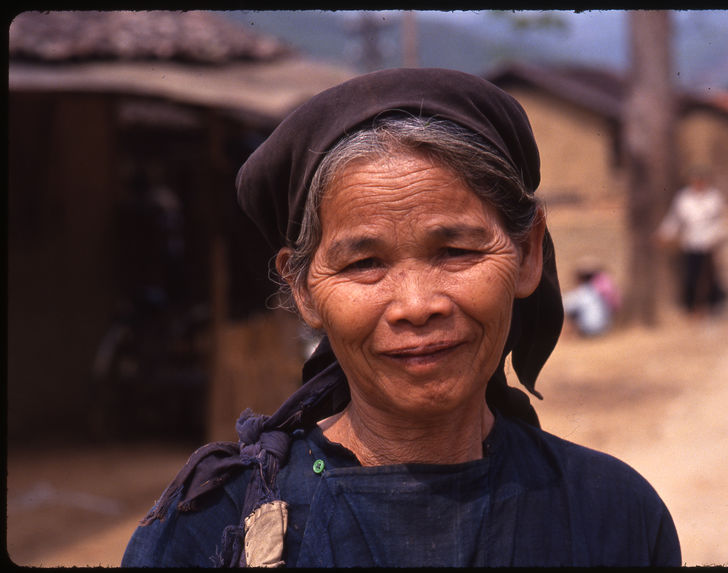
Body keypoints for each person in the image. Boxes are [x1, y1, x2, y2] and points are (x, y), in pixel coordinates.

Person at [121, 68, 681, 567]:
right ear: (303, 288)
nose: (417, 305)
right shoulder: (209, 533)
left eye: (457, 252)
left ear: (529, 253)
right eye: (364, 263)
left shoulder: (615, 516)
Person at [657, 167, 728, 316]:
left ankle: (714, 304)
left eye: (701, 181)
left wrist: (719, 236)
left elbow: (720, 220)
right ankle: (690, 306)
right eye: (695, 181)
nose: (698, 184)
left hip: (710, 240)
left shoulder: (713, 197)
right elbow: (674, 218)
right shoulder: (684, 198)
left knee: (710, 273)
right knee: (691, 274)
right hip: (691, 240)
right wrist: (664, 233)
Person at [563, 258, 620, 337]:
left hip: (590, 330)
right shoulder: (601, 290)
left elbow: (565, 306)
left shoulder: (584, 291)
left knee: (571, 310)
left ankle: (569, 333)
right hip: (605, 328)